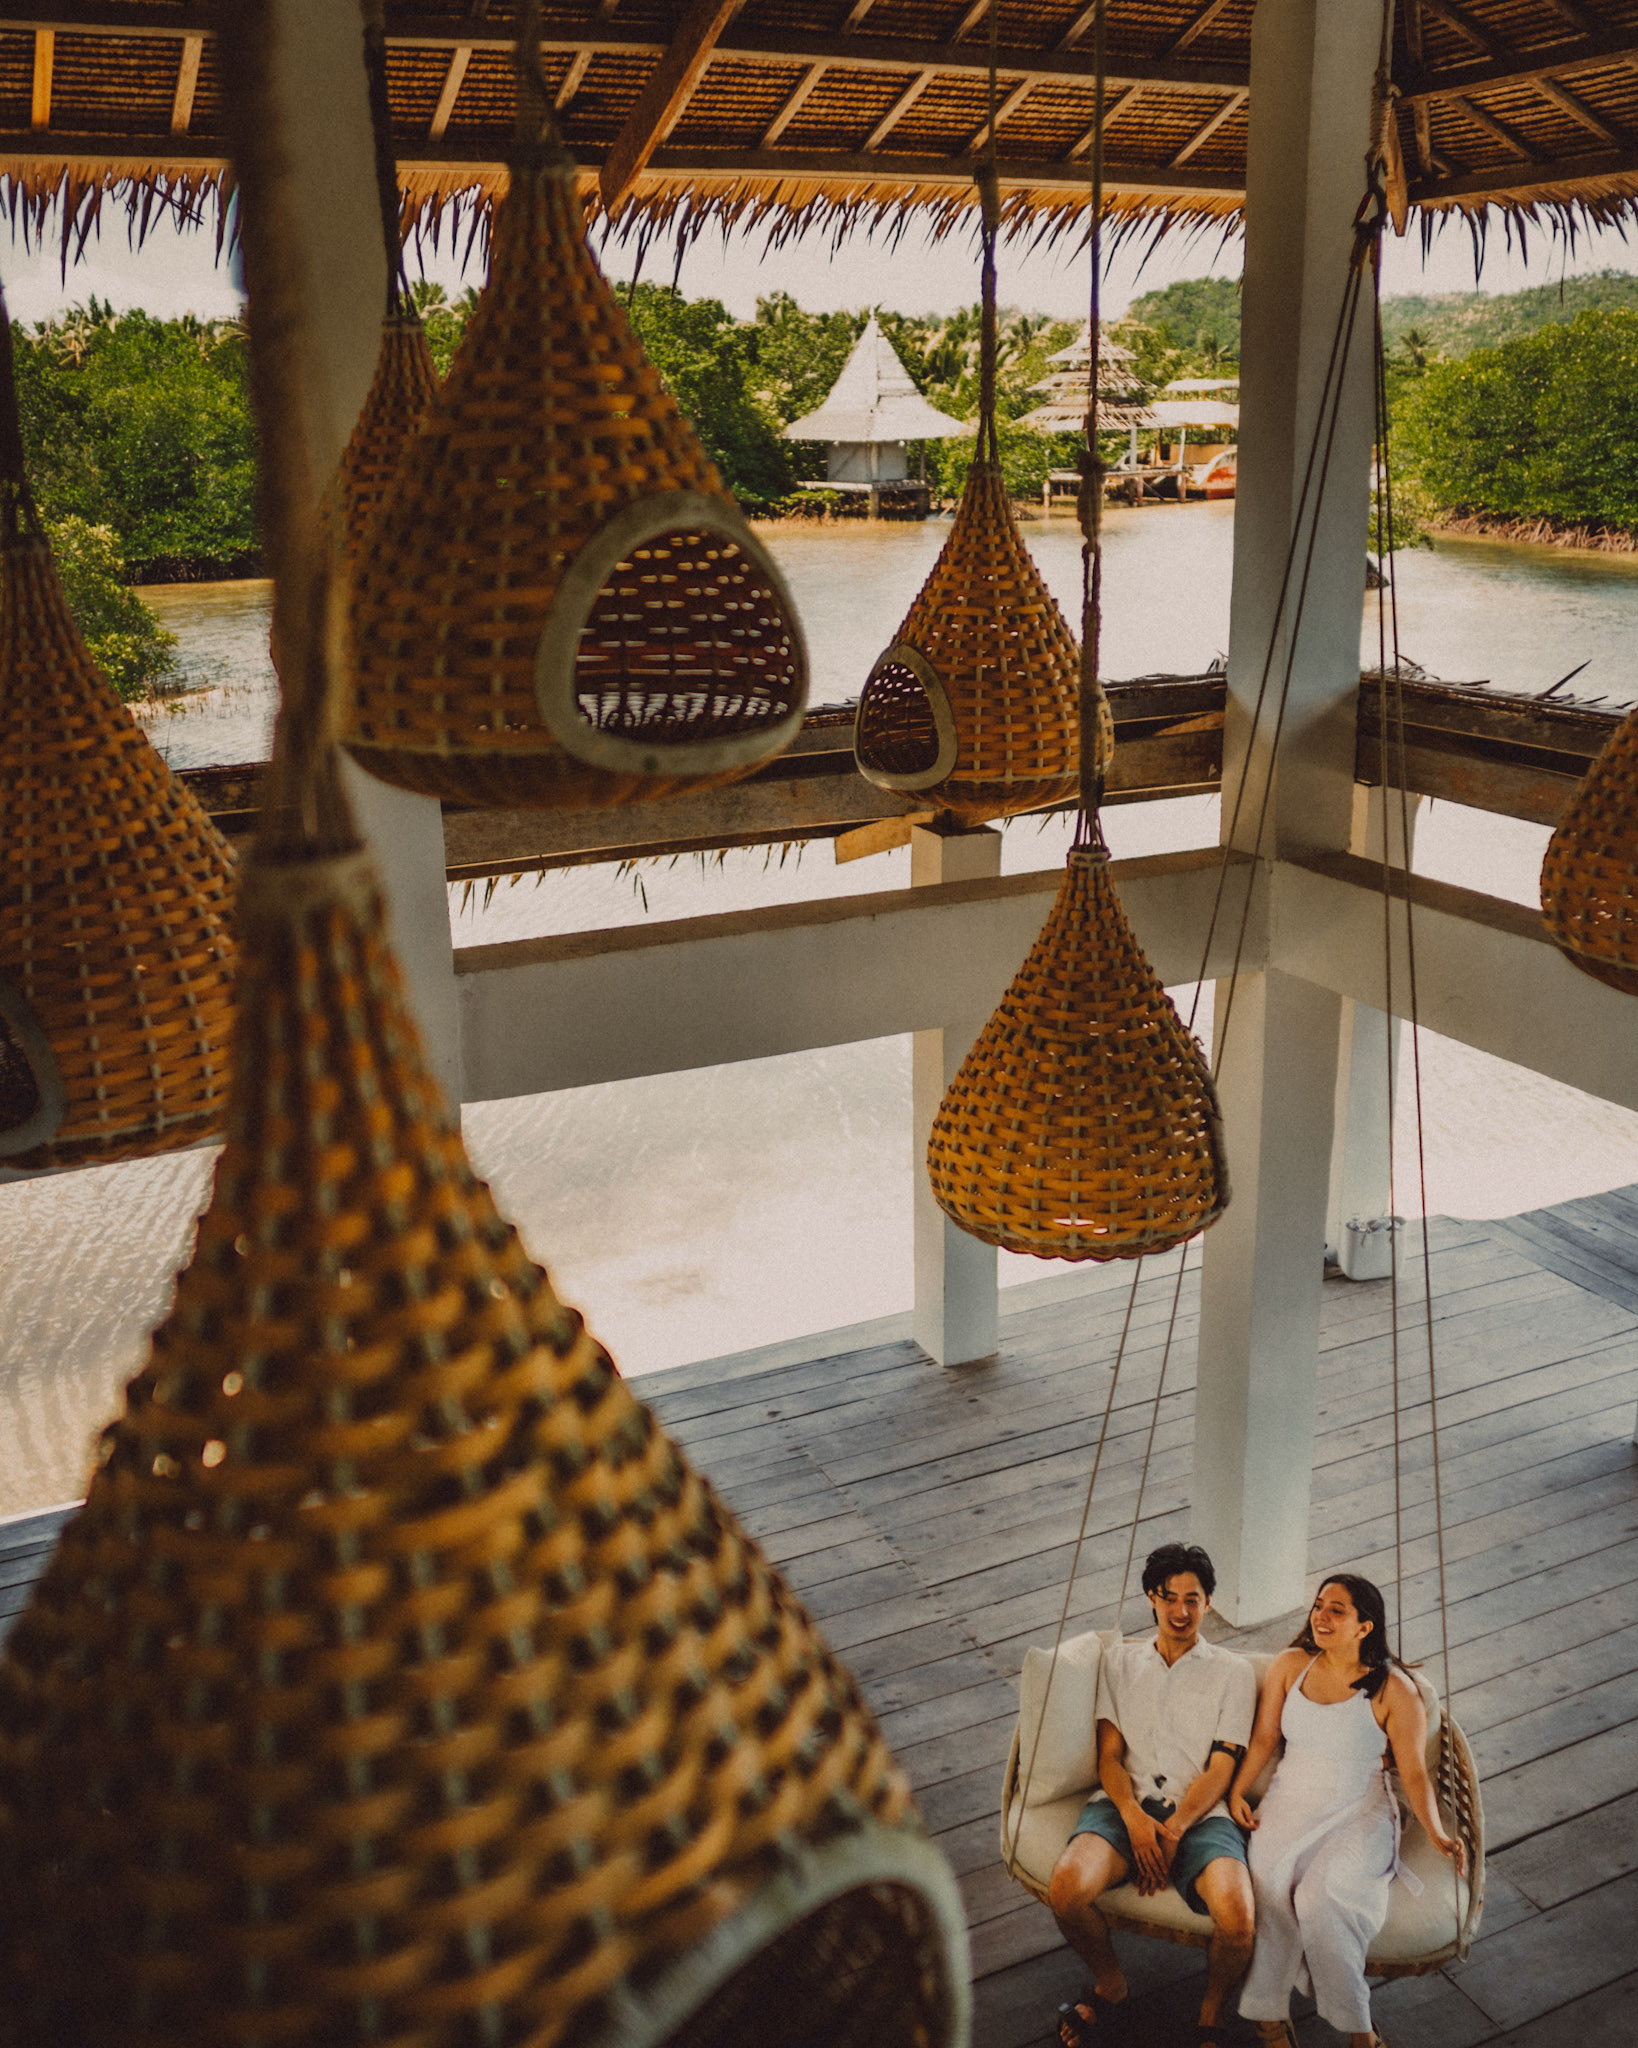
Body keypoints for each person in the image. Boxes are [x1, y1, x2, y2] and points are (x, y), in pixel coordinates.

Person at [1231, 1573, 1465, 2048]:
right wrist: (1237, 1789)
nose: (1321, 1616)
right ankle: (1269, 2013)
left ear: (1365, 1627)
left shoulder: (1394, 1690)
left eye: (1337, 1610)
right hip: (1290, 1796)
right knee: (1267, 1877)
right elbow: (1263, 1739)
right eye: (1319, 1605)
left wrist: (1437, 1832)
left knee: (1324, 1896)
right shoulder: (1290, 1665)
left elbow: (1415, 1774)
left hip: (1360, 1805)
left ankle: (1361, 2029)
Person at [1048, 1542, 1257, 2048]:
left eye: (1193, 1599)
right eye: (1169, 1598)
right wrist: (1135, 1819)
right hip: (1126, 1805)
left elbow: (1222, 1768)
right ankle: (1111, 1984)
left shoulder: (1235, 1672)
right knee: (1066, 1890)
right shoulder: (1119, 1662)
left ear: (1209, 1602)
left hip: (1202, 1814)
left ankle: (1210, 2011)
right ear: (1151, 1598)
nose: (1181, 1611)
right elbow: (1109, 1758)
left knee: (1239, 1918)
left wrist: (1175, 1829)